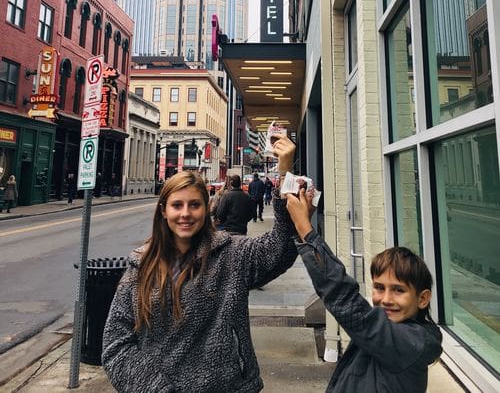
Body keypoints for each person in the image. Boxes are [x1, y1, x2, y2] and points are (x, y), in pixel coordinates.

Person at [102, 134, 296, 393]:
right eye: (177, 205)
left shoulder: (232, 255)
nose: (185, 213)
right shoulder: (141, 266)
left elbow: (279, 247)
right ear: (163, 211)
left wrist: (285, 172)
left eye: (194, 205)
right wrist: (157, 388)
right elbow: (116, 345)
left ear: (207, 209)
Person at [283, 140, 442, 392]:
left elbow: (346, 301)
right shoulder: (389, 332)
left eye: (399, 290)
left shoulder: (411, 341)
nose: (385, 299)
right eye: (379, 287)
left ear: (423, 299)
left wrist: (306, 230)